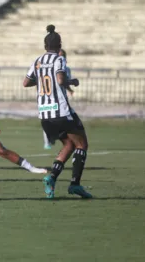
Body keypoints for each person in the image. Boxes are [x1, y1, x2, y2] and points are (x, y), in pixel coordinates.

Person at [23, 24, 92, 199]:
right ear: (59, 46)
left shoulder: (37, 61)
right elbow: (61, 79)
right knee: (81, 144)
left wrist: (41, 81)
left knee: (68, 145)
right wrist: (72, 81)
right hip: (60, 111)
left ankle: (51, 177)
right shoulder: (59, 59)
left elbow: (25, 83)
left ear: (45, 46)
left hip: (45, 115)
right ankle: (75, 185)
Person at [43, 48, 73, 149]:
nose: (60, 58)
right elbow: (60, 81)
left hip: (62, 99)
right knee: (48, 119)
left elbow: (65, 81)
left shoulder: (67, 69)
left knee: (64, 119)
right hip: (50, 99)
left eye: (62, 56)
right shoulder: (50, 68)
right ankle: (48, 141)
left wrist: (69, 89)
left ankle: (57, 137)